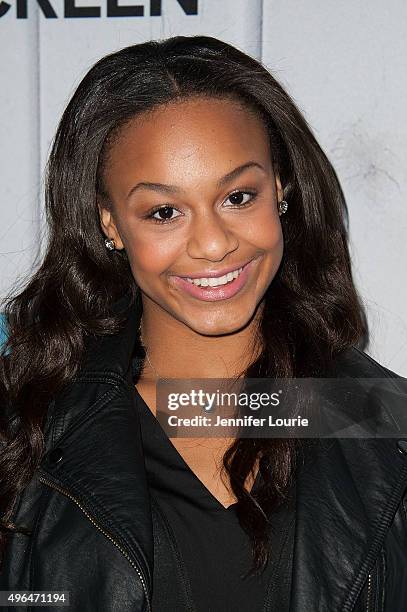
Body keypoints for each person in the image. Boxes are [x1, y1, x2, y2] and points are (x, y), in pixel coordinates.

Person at [0, 35, 406, 612]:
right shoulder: (32, 433)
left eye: (239, 196)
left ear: (281, 189)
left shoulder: (385, 424)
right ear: (109, 222)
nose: (214, 244)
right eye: (164, 212)